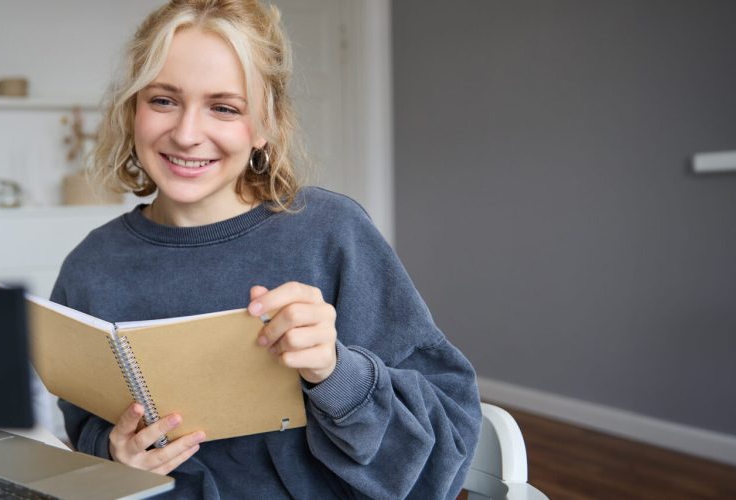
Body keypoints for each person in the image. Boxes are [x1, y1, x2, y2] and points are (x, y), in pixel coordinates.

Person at [50, 0, 481, 497]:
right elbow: (85, 429)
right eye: (163, 100)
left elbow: (447, 439)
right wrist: (116, 454)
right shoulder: (91, 265)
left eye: (224, 108)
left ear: (266, 125)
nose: (187, 134)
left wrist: (335, 372)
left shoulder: (330, 232)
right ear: (132, 110)